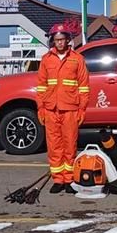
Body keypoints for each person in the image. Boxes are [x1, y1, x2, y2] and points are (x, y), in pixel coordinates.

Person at [36, 23, 90, 193]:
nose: (59, 43)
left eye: (62, 39)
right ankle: (58, 179)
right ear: (53, 41)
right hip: (51, 109)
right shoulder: (46, 59)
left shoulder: (77, 59)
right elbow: (41, 86)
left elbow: (84, 86)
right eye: (57, 40)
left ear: (68, 40)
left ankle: (69, 179)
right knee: (54, 146)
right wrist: (41, 108)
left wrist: (82, 109)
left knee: (69, 145)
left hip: (70, 109)